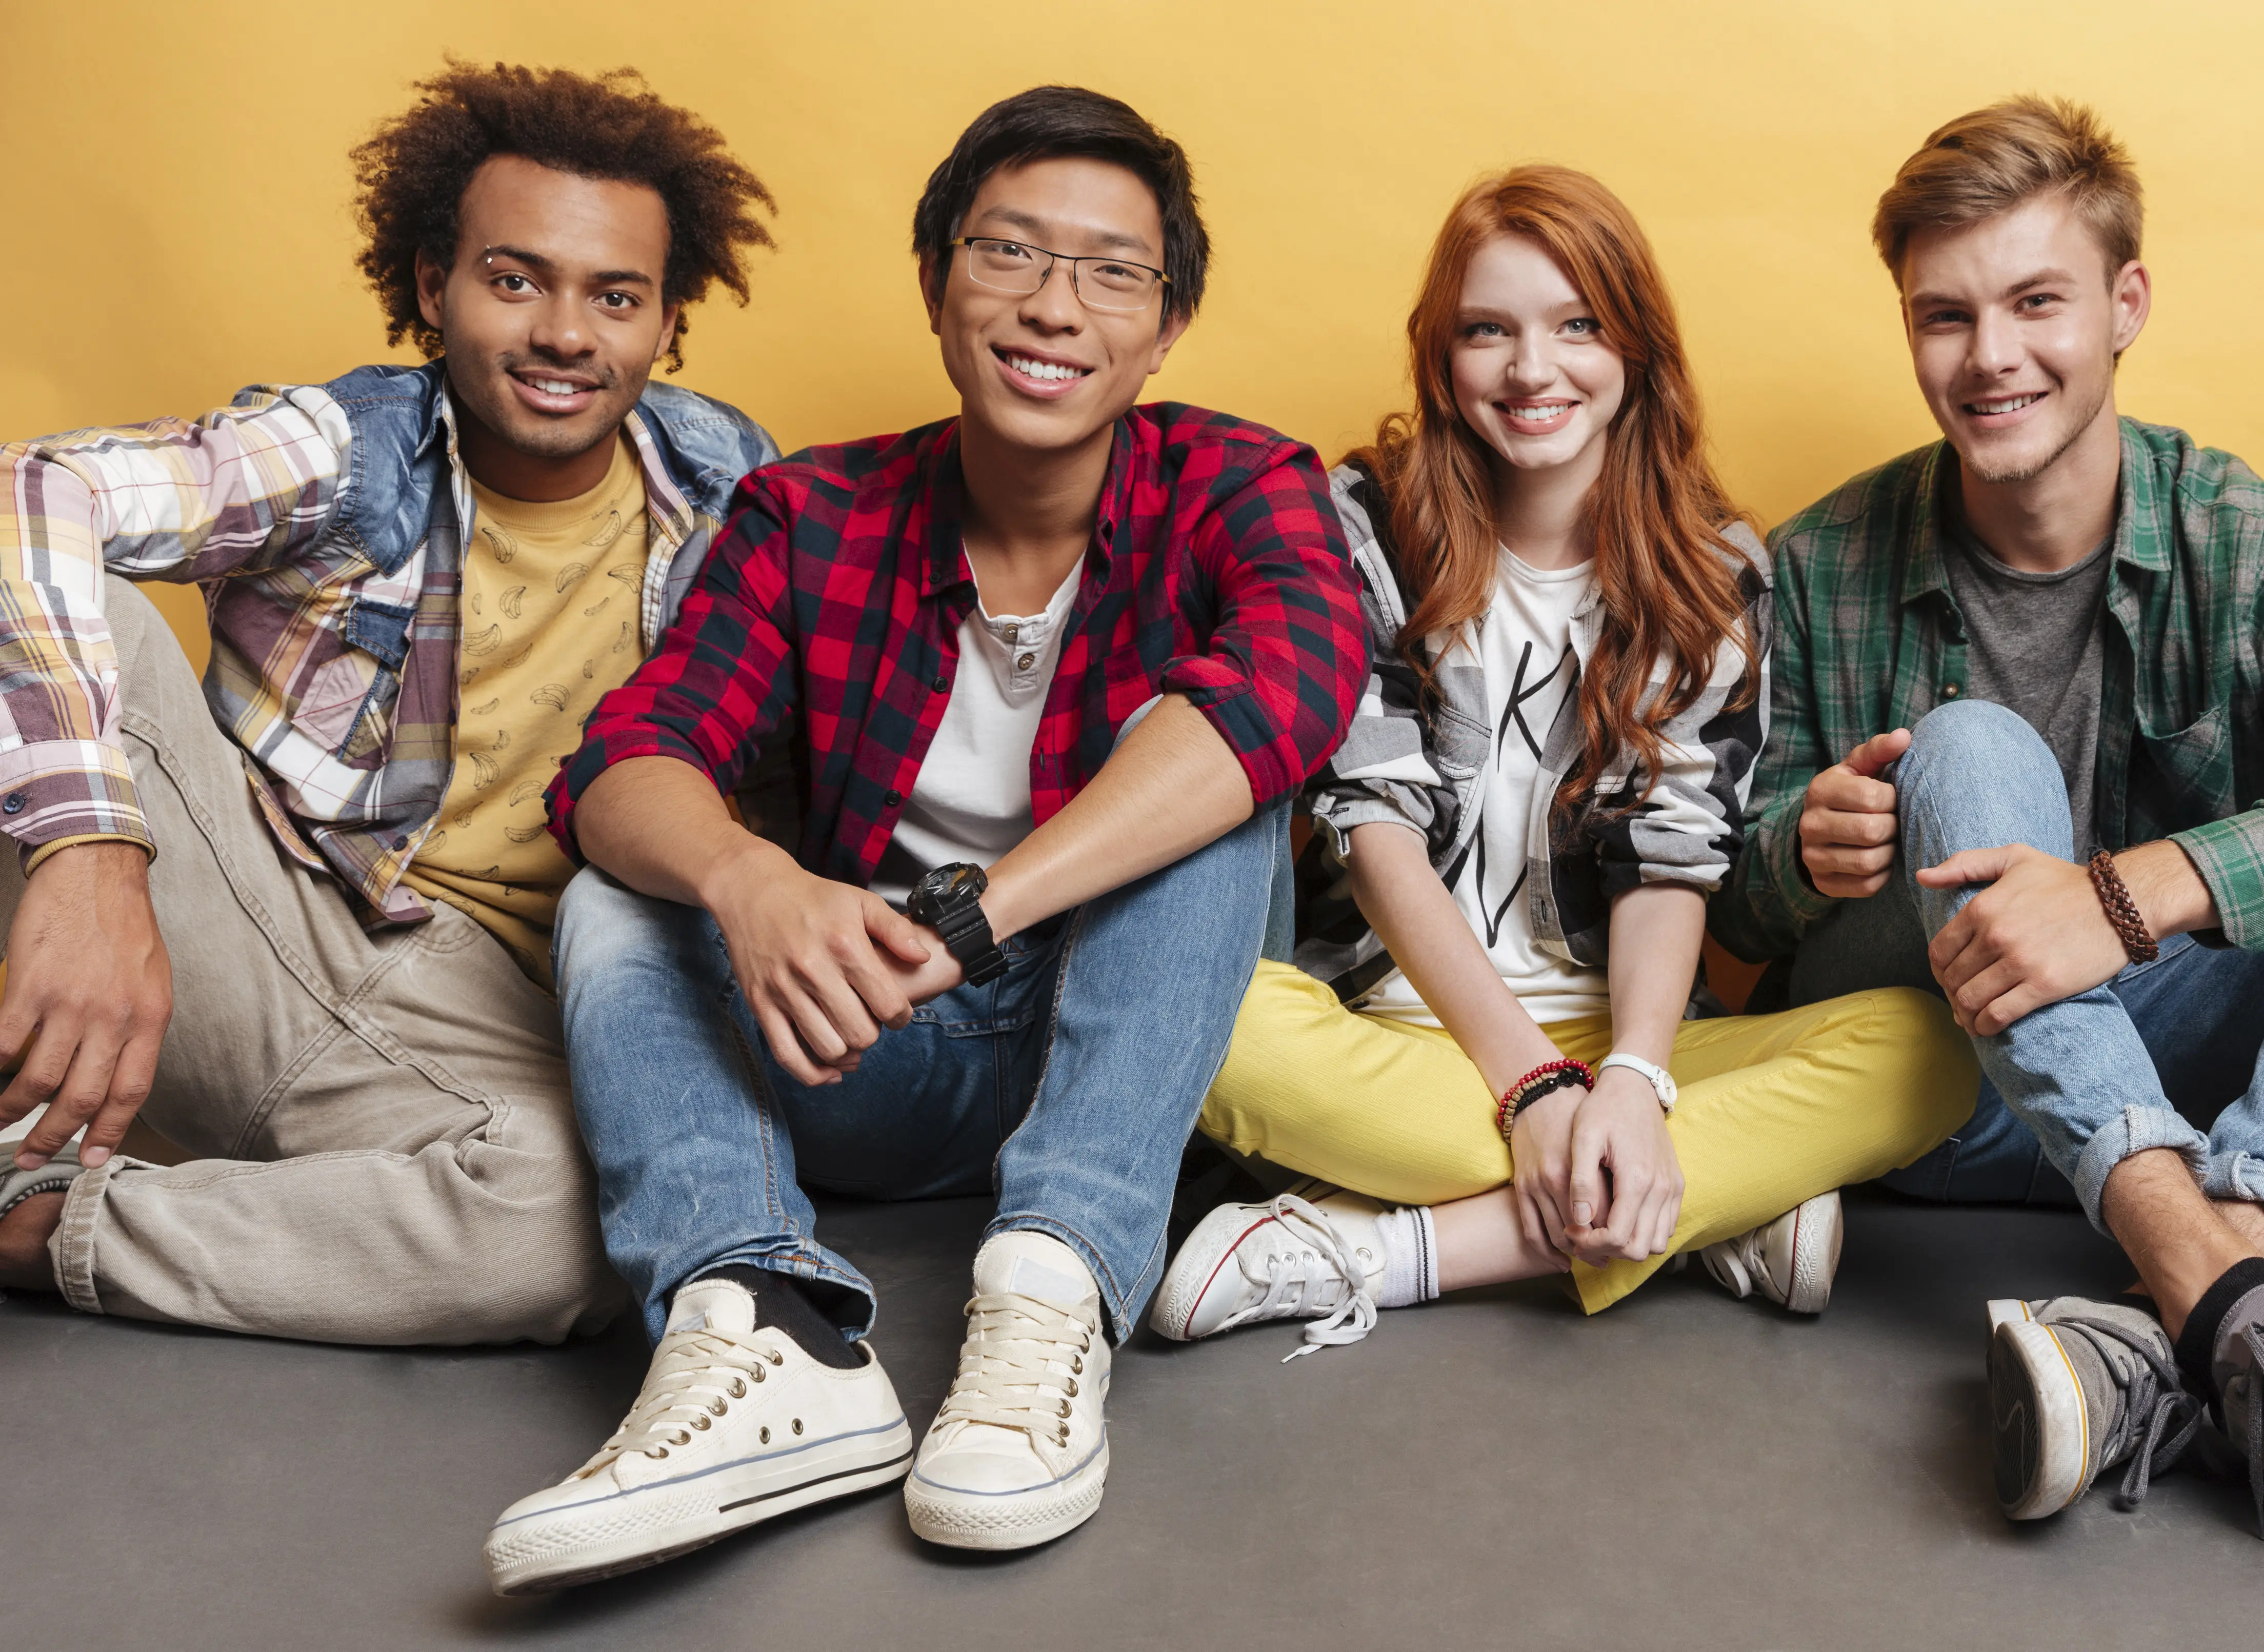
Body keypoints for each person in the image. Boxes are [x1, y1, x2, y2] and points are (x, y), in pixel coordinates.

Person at [480, 86, 1364, 1591]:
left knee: (1219, 786)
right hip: (874, 1028)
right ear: (939, 286)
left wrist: (977, 913)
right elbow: (626, 758)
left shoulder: (1237, 480)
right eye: (1008, 251)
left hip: (1152, 1038)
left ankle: (1052, 1287)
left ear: (1164, 330)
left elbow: (1295, 686)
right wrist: (752, 879)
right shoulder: (808, 513)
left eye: (1110, 271)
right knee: (626, 888)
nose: (1051, 305)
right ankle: (766, 1326)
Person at [1705, 97, 2264, 1571]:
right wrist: (1801, 848)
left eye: (2038, 301)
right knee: (1970, 743)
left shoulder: (2251, 534)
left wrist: (2135, 891)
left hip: (2169, 1080)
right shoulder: (1823, 561)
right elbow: (1718, 907)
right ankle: (2225, 1289)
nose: (1992, 357)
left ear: (2125, 305)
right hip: (1933, 1084)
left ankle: (2187, 1298)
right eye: (1945, 315)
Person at [0, 63, 776, 1344]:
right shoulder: (357, 450)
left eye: (616, 296)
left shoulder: (727, 476)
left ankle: (49, 1223)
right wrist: (93, 854)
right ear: (434, 285)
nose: (566, 334)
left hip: (495, 1028)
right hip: (254, 920)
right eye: (515, 279)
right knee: (58, 597)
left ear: (668, 318)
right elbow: (32, 494)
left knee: (568, 1234)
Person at [1146, 167, 1975, 1358]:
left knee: (1933, 1051)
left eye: (1579, 325)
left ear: (1636, 346)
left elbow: (1671, 855)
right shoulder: (1361, 522)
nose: (1536, 371)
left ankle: (1382, 1248)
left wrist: (1630, 1080)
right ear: (1443, 356)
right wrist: (1531, 1091)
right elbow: (1371, 831)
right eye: (1491, 331)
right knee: (1200, 1017)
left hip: (1647, 1046)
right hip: (1397, 1032)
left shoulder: (1713, 565)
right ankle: (1703, 1209)